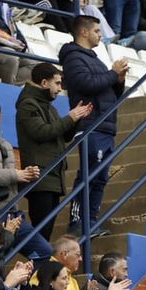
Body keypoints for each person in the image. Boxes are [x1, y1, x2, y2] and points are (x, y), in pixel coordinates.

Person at [59, 16, 126, 225]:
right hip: (91, 125)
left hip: (105, 126)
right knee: (89, 176)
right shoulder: (73, 58)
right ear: (84, 32)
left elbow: (109, 92)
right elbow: (86, 84)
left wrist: (119, 80)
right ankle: (78, 222)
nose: (100, 34)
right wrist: (112, 74)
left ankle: (91, 222)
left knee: (100, 178)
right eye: (97, 30)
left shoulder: (95, 59)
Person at [16, 62, 90, 241]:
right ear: (44, 83)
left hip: (53, 177)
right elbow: (41, 132)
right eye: (57, 83)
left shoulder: (49, 106)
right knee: (41, 232)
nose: (60, 88)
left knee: (45, 233)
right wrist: (70, 118)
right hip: (41, 177)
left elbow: (63, 136)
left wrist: (76, 119)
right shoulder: (28, 105)